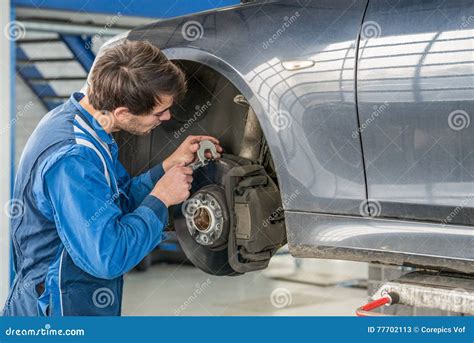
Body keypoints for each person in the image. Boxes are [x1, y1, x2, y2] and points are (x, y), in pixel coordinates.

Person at [2, 40, 222, 316]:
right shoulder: (74, 160)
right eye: (159, 112)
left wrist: (164, 169)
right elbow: (108, 255)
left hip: (75, 298)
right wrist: (161, 198)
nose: (167, 118)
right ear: (122, 113)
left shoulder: (84, 124)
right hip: (57, 310)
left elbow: (116, 204)